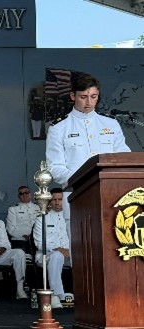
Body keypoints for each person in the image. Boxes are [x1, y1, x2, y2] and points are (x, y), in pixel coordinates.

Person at [46, 74, 130, 237]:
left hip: (111, 196)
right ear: (73, 96)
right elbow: (55, 168)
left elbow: (124, 157)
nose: (89, 102)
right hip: (77, 197)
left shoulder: (110, 124)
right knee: (80, 253)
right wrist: (85, 181)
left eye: (94, 97)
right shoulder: (59, 128)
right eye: (83, 97)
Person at [32, 188, 71, 309]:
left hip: (70, 254)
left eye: (60, 199)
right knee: (56, 255)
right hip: (46, 255)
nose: (58, 202)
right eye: (54, 199)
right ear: (50, 201)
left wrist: (70, 250)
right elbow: (39, 243)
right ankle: (57, 295)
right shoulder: (42, 219)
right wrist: (59, 249)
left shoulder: (72, 218)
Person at [5, 186, 40, 254]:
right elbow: (10, 229)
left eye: (26, 192)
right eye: (21, 193)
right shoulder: (13, 209)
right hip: (20, 240)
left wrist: (33, 237)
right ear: (18, 196)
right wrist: (26, 236)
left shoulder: (38, 207)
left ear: (30, 194)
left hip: (37, 240)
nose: (24, 195)